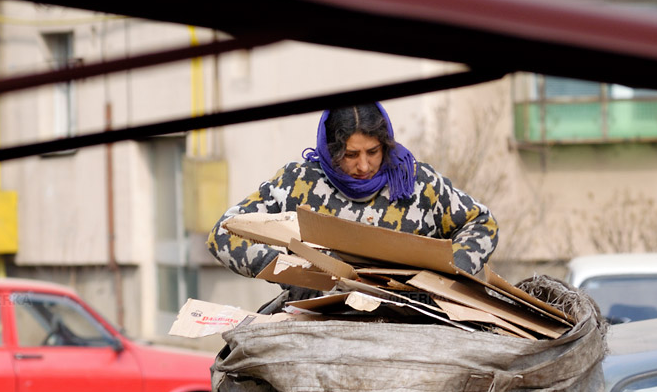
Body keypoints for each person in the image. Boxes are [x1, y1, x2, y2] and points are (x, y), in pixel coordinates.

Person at [207, 101, 499, 288]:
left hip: (410, 319)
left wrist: (448, 275)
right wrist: (288, 270)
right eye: (350, 155)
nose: (363, 165)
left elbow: (482, 223)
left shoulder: (416, 182)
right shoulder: (297, 183)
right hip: (313, 319)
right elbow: (223, 234)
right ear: (330, 150)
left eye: (373, 152)